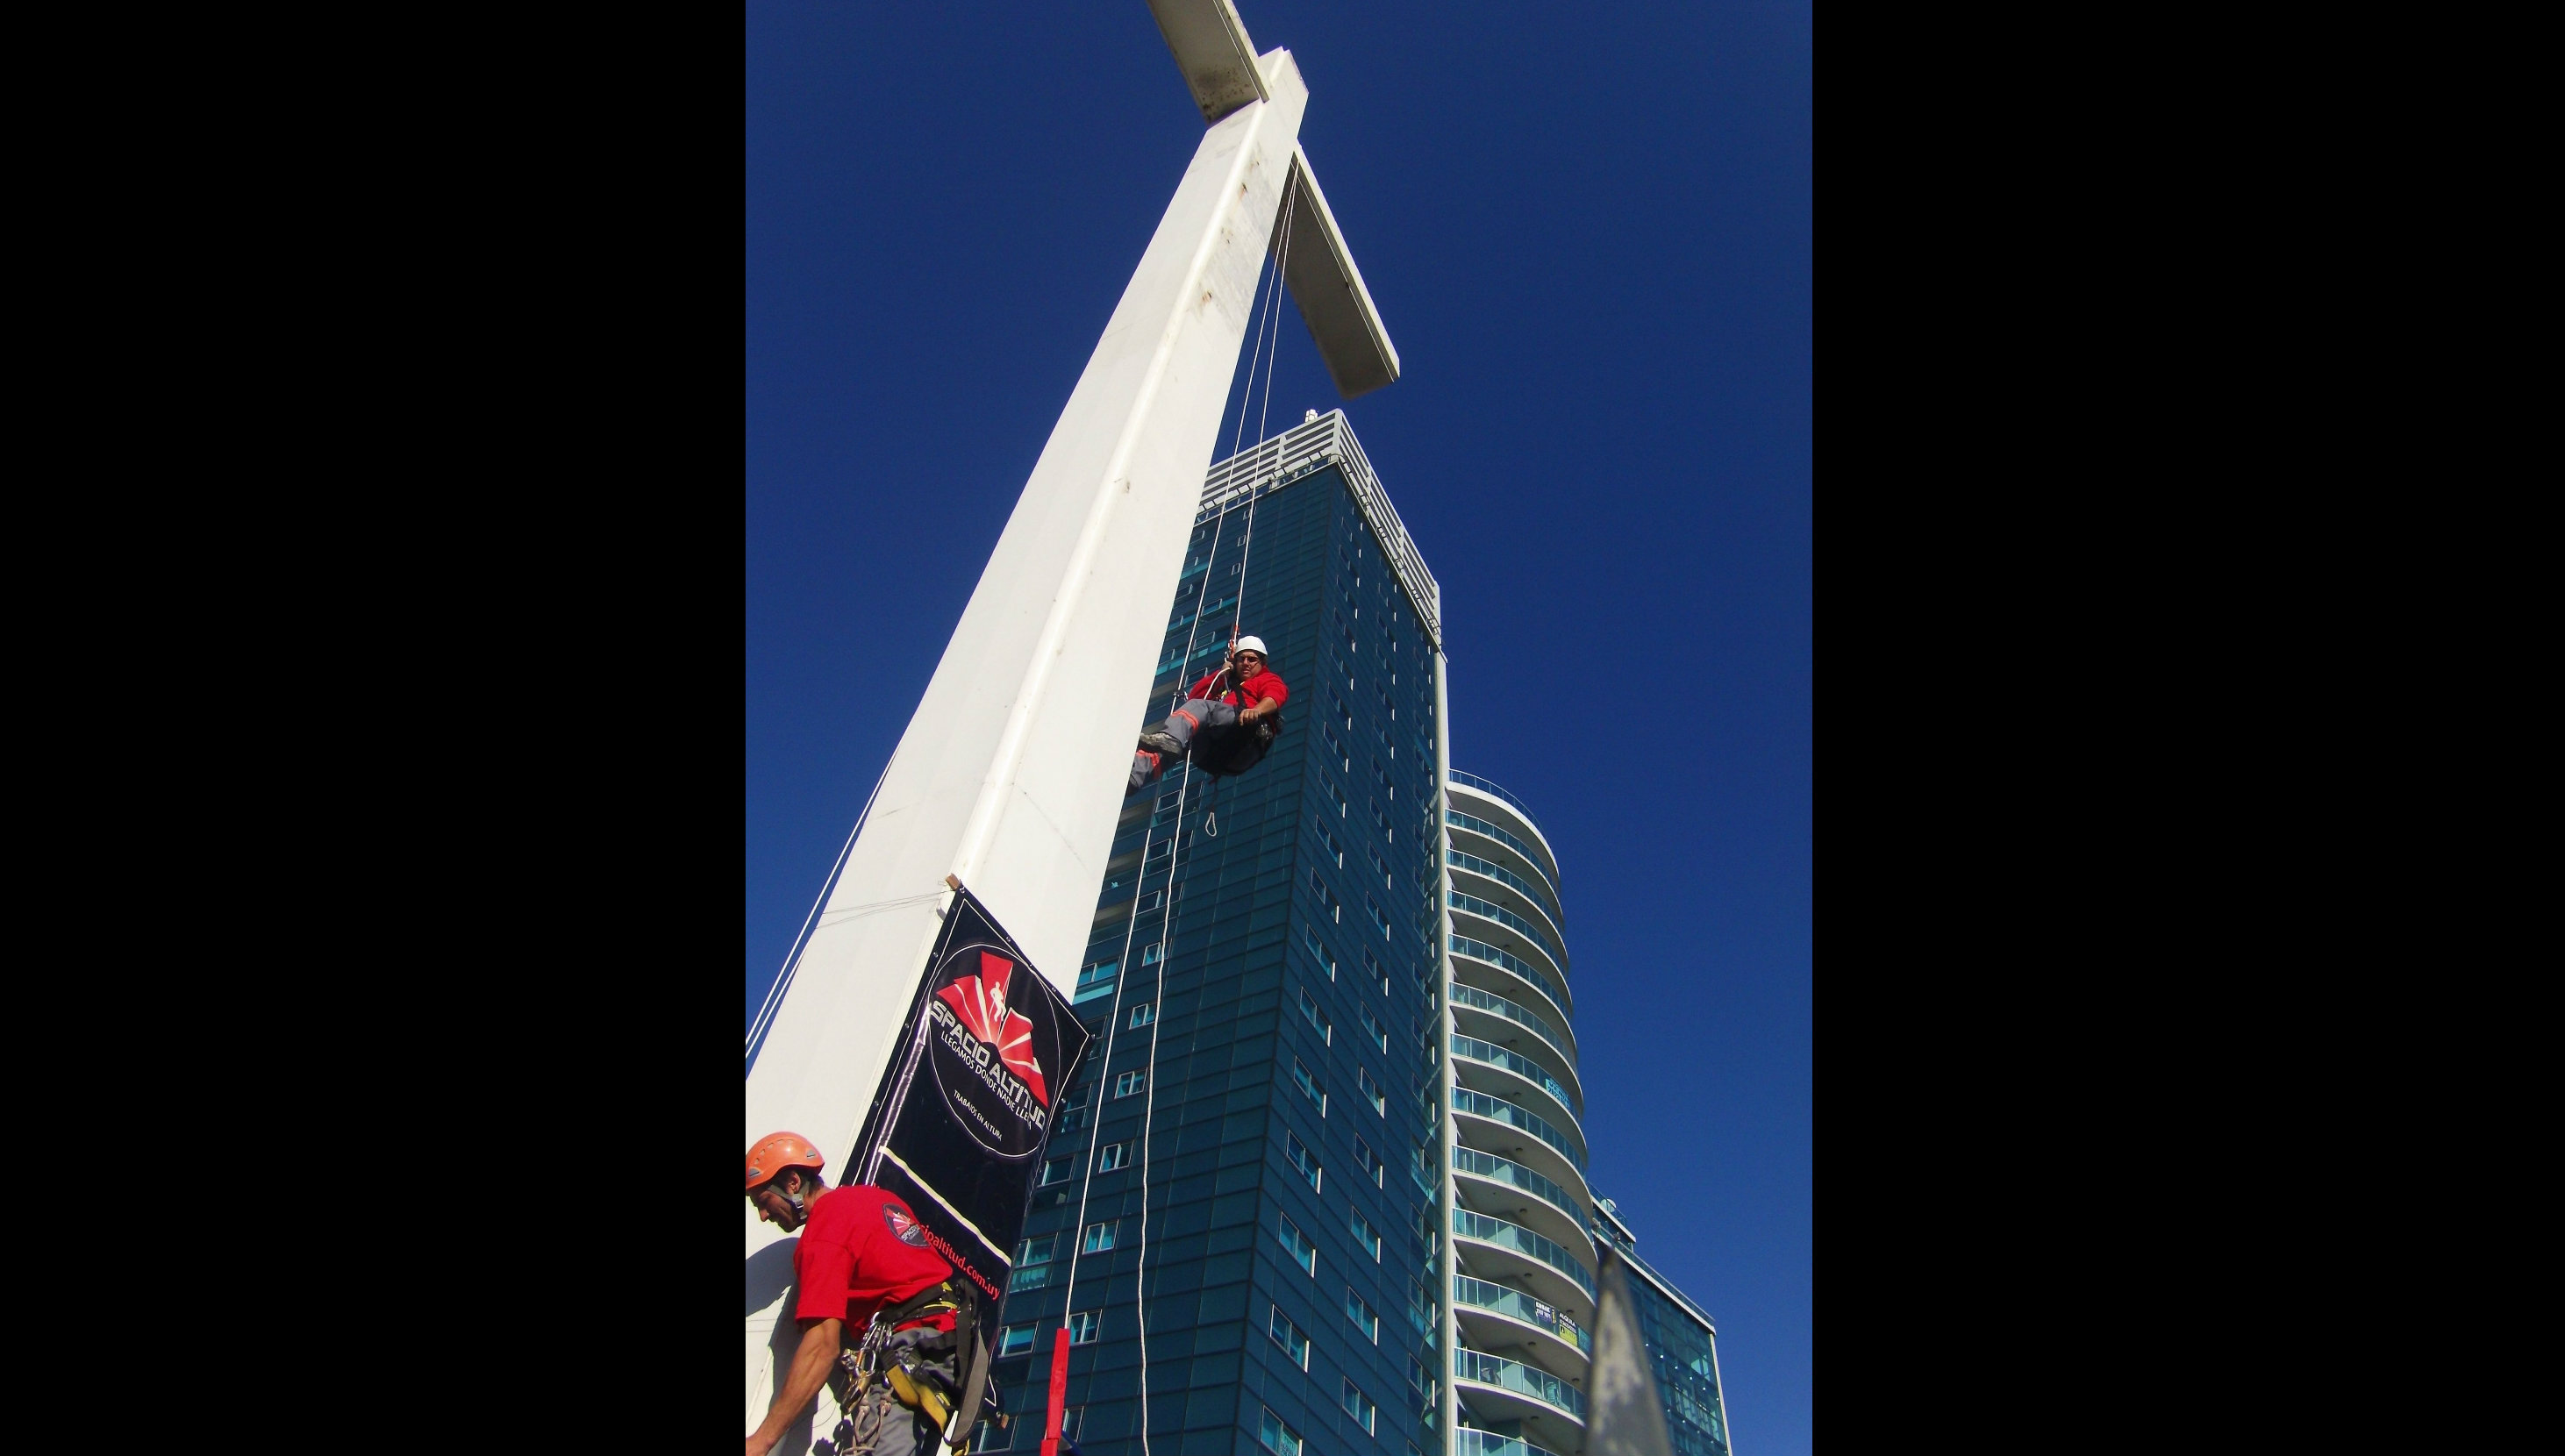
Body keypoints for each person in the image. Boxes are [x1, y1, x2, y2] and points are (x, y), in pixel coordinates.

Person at [746, 1132, 975, 1456]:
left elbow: (821, 1348)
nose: (763, 1215)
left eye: (763, 1202)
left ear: (793, 1182)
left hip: (912, 1350)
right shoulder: (874, 1199)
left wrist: (761, 1442)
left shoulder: (825, 1228)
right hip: (950, 1348)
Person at [1131, 635, 1289, 789]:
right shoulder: (1227, 682)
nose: (1246, 663)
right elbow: (1196, 697)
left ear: (1262, 662)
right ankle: (1134, 778)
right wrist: (1221, 675)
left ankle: (1170, 738)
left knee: (1193, 715)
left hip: (1244, 730)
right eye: (1241, 659)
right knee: (1170, 748)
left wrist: (1256, 711)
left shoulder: (1266, 678)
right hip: (1219, 751)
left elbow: (1275, 697)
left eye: (1252, 659)